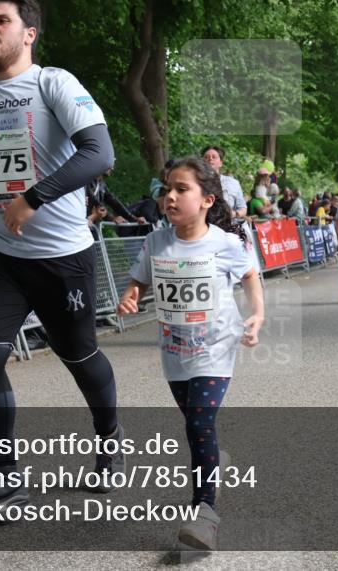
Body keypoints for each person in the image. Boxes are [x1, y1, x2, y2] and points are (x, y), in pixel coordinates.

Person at [0, 0, 124, 515]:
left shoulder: (53, 84)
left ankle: (109, 436)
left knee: (79, 354)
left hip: (62, 255)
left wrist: (34, 197)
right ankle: (4, 478)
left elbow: (100, 153)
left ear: (28, 33)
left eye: (1, 20)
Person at [116, 156, 264, 551]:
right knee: (198, 425)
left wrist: (258, 315)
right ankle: (214, 457)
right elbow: (139, 279)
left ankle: (204, 514)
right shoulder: (155, 241)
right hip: (175, 349)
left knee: (197, 424)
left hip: (216, 345)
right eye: (168, 188)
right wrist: (130, 296)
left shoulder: (226, 243)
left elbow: (250, 276)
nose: (171, 196)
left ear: (207, 200)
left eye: (182, 189)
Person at [201, 145, 247, 218]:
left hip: (230, 225)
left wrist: (235, 214)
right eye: (206, 157)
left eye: (214, 157)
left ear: (220, 163)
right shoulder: (196, 182)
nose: (210, 159)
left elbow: (243, 208)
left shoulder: (233, 183)